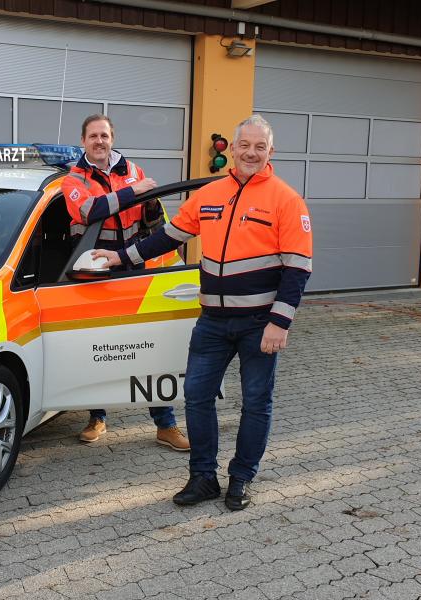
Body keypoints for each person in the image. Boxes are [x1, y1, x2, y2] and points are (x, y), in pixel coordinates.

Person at [93, 114, 312, 510]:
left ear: (270, 152)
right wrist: (120, 257)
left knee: (256, 403)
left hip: (260, 323)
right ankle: (203, 477)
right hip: (212, 320)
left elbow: (298, 268)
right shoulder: (211, 193)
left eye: (259, 147)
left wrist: (280, 321)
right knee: (195, 396)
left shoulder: (286, 199)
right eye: (244, 145)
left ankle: (241, 478)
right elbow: (167, 236)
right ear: (233, 147)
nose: (250, 153)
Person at [61, 113, 190, 451]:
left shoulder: (134, 170)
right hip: (95, 277)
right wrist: (134, 192)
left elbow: (156, 221)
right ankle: (97, 417)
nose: (99, 141)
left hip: (135, 273)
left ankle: (166, 425)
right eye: (93, 136)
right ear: (84, 141)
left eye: (104, 135)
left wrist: (148, 205)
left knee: (150, 350)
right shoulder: (73, 179)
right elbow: (89, 211)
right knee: (97, 349)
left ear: (112, 138)